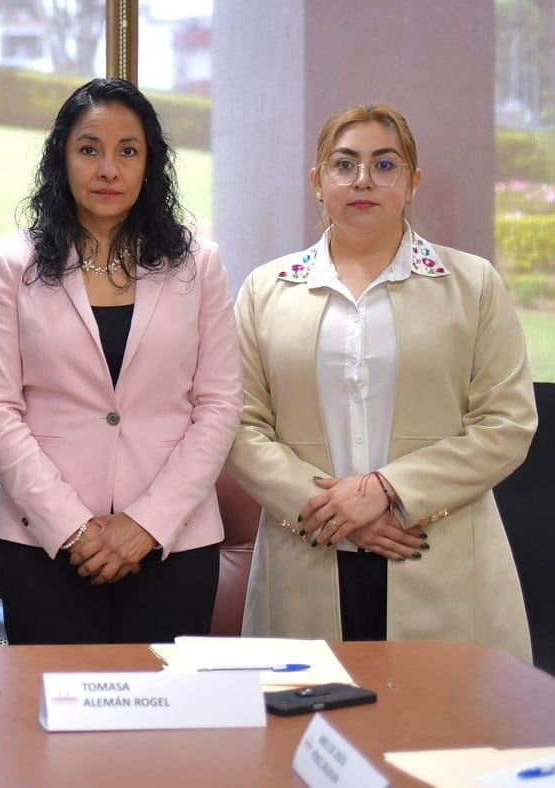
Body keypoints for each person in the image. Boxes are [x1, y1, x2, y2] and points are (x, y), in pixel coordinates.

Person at [227, 104, 535, 660]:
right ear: (318, 182)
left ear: (413, 183)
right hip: (307, 552)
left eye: (385, 164)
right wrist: (333, 513)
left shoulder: (472, 284)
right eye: (344, 164)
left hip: (437, 553)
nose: (363, 179)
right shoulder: (265, 290)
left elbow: (507, 424)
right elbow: (239, 426)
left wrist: (385, 492)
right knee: (308, 707)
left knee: (439, 712)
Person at [0, 77, 241, 644]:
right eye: (89, 149)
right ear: (61, 159)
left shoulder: (199, 264)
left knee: (165, 701)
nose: (108, 169)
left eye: (128, 151)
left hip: (173, 542)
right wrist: (71, 528)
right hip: (44, 544)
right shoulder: (13, 263)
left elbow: (219, 405)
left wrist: (146, 523)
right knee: (52, 700)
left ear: (151, 164)